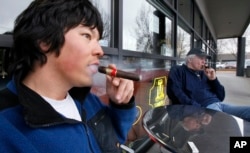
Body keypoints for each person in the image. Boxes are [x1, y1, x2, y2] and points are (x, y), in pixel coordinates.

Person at [0, 0, 136, 153]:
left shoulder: (86, 100)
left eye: (98, 40)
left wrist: (121, 104)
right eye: (87, 36)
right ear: (44, 40)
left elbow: (113, 142)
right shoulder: (7, 128)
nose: (100, 51)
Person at [167, 48, 250, 122]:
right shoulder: (178, 71)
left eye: (205, 59)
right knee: (224, 125)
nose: (204, 61)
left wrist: (213, 80)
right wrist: (201, 110)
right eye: (201, 58)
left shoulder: (204, 73)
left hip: (220, 105)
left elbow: (221, 97)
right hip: (206, 109)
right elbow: (177, 94)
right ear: (189, 59)